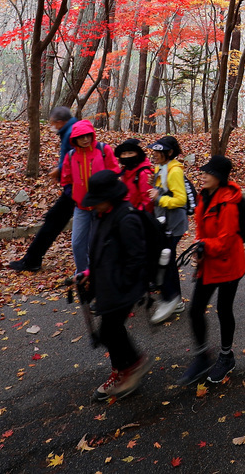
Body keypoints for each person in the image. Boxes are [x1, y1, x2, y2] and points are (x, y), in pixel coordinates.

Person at [178, 154, 245, 386]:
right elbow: (202, 230)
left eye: (208, 172)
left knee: (223, 310)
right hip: (210, 263)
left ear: (219, 177)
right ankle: (202, 355)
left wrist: (204, 245)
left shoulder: (227, 203)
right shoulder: (204, 196)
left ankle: (227, 357)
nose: (203, 175)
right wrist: (199, 245)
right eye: (203, 172)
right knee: (195, 310)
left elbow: (226, 242)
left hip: (230, 265)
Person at [81, 169, 150, 400]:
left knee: (109, 330)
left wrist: (122, 285)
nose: (93, 205)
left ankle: (133, 365)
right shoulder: (101, 216)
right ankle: (121, 370)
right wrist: (90, 273)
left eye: (97, 201)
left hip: (122, 288)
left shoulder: (127, 218)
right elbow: (101, 250)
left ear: (109, 197)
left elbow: (137, 257)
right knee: (111, 331)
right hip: (107, 284)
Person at [7, 106, 79, 272]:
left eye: (53, 123)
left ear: (60, 122)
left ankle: (32, 260)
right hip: (73, 188)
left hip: (76, 189)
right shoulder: (71, 130)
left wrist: (59, 170)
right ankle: (32, 259)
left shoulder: (71, 133)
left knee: (53, 221)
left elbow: (75, 159)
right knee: (54, 220)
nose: (52, 126)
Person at [63, 121, 119, 274]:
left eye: (88, 135)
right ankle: (82, 273)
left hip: (102, 206)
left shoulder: (103, 150)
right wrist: (73, 195)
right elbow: (66, 180)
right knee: (77, 243)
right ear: (74, 139)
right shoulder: (71, 155)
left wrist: (108, 197)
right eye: (81, 137)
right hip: (81, 207)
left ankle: (99, 275)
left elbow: (114, 172)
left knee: (97, 242)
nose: (85, 139)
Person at [149, 136, 190, 324]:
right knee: (167, 259)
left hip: (174, 224)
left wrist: (159, 198)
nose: (154, 154)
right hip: (164, 223)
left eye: (158, 151)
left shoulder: (174, 171)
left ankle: (172, 298)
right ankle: (175, 298)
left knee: (165, 259)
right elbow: (164, 190)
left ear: (169, 153)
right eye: (154, 151)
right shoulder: (160, 168)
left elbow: (180, 200)